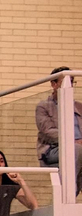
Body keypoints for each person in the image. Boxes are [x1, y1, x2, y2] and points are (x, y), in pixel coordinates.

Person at [35, 67, 81, 195]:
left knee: (78, 150)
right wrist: (73, 140)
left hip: (78, 147)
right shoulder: (44, 106)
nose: (70, 85)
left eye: (72, 81)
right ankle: (65, 195)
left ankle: (72, 193)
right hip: (53, 149)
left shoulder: (79, 107)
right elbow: (48, 131)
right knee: (76, 149)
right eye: (65, 81)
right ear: (53, 84)